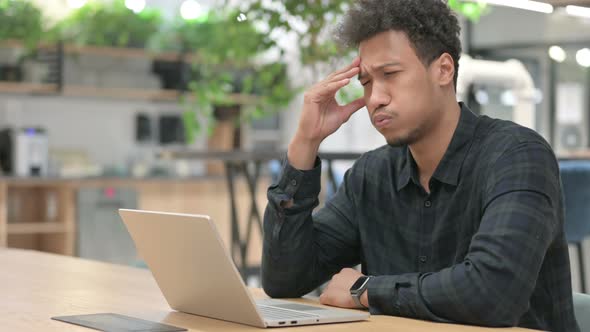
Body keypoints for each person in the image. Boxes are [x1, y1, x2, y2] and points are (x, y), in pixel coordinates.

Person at [260, 0, 579, 331]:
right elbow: (285, 279)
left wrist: (365, 289)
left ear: (443, 70)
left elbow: (492, 293)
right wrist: (305, 143)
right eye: (366, 82)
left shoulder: (517, 155)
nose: (375, 98)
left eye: (390, 74)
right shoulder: (372, 174)